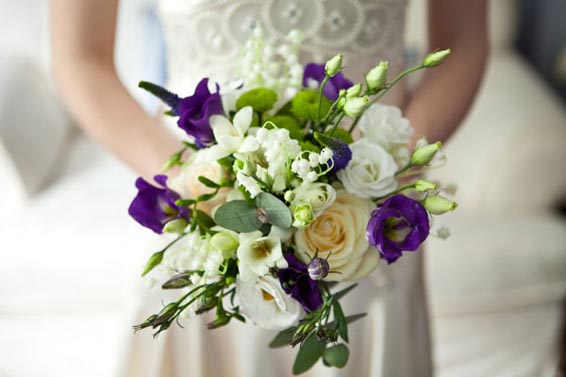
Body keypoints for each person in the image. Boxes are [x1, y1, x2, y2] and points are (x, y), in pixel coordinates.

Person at [49, 0, 488, 376]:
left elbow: (463, 43)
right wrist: (196, 181)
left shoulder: (375, 198)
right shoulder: (195, 190)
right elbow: (80, 56)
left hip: (371, 213)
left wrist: (382, 174)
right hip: (198, 207)